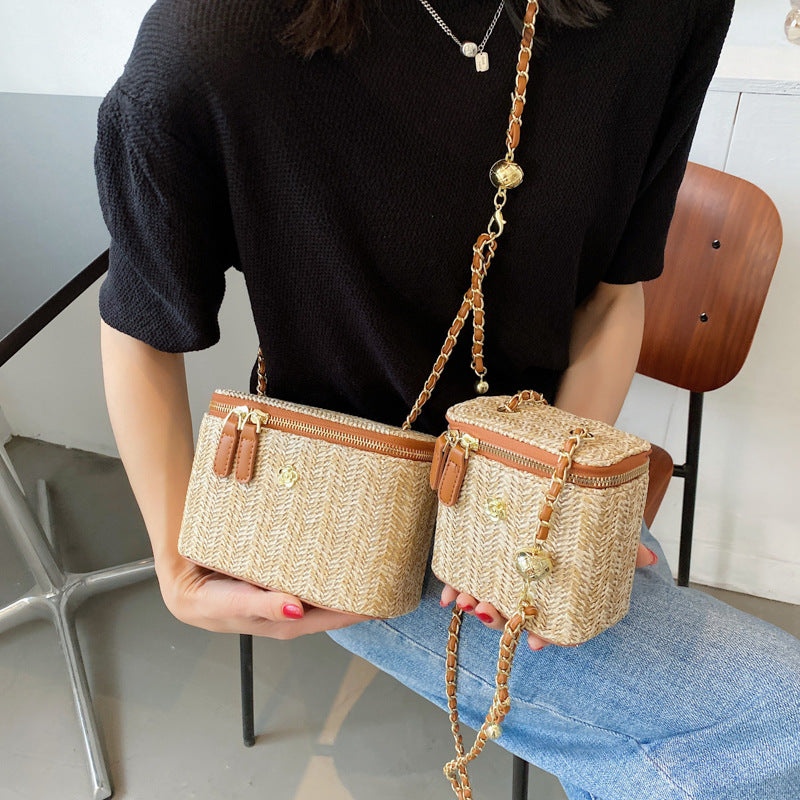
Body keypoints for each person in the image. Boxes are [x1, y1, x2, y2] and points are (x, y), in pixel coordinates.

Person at [95, 0, 800, 797]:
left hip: (530, 477)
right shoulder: (219, 33)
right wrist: (175, 565)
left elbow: (610, 295)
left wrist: (550, 497)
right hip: (345, 518)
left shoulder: (665, 16)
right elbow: (141, 320)